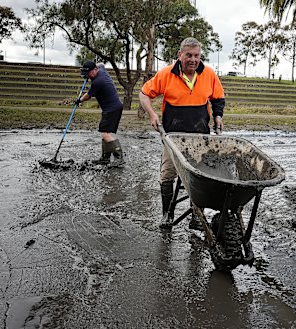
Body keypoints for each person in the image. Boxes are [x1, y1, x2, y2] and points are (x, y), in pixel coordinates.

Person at [139, 37, 226, 228]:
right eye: (188, 55)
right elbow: (144, 94)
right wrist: (152, 114)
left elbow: (218, 98)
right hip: (173, 138)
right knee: (168, 175)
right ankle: (167, 214)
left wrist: (218, 116)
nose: (193, 60)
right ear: (180, 55)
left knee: (199, 178)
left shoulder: (209, 74)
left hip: (200, 137)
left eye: (196, 56)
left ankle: (196, 216)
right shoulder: (166, 74)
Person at [77, 60, 124, 164]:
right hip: (113, 107)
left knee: (105, 134)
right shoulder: (101, 70)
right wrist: (89, 72)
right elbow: (101, 64)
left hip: (112, 109)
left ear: (94, 70)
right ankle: (105, 158)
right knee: (105, 133)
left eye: (88, 74)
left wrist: (79, 100)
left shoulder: (97, 82)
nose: (87, 76)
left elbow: (88, 96)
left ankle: (119, 158)